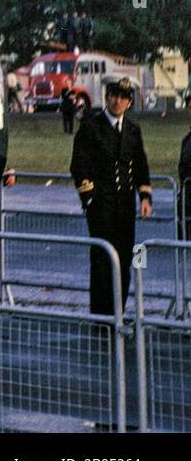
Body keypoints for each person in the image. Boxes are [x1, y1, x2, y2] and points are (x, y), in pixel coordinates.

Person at [69, 78, 152, 316]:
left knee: (126, 259)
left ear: (129, 102)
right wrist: (90, 200)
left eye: (123, 98)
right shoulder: (91, 127)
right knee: (103, 260)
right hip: (101, 206)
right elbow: (79, 166)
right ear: (107, 98)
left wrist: (145, 197)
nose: (117, 101)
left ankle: (119, 313)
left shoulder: (133, 130)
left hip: (125, 206)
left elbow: (140, 166)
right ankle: (101, 317)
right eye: (114, 96)